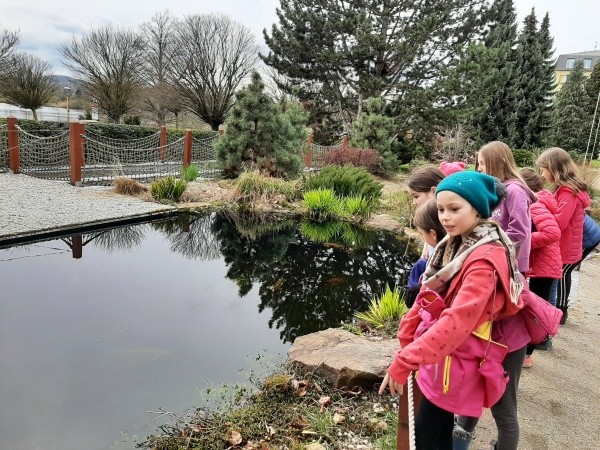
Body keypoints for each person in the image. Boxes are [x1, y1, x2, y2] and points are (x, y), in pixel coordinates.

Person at [379, 171, 523, 450]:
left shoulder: (484, 261)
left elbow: (457, 321)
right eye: (441, 209)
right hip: (450, 357)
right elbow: (428, 292)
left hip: (464, 356)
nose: (445, 217)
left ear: (478, 209)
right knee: (439, 429)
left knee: (425, 434)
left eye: (454, 209)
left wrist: (406, 359)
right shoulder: (454, 243)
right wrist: (407, 331)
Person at [455, 141, 535, 450]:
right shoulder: (498, 191)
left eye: (482, 163)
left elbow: (520, 232)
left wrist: (494, 251)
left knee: (504, 407)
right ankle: (461, 437)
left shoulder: (514, 191)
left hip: (507, 271)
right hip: (495, 276)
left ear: (497, 162)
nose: (479, 169)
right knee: (474, 389)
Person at [536, 148, 590, 324]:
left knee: (554, 285)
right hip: (565, 245)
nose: (542, 175)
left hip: (564, 247)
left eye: (543, 170)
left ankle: (554, 317)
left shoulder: (568, 192)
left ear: (554, 169)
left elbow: (560, 222)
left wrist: (540, 215)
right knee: (555, 283)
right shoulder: (567, 190)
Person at [519, 168, 562, 366]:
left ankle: (527, 354)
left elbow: (552, 233)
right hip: (541, 264)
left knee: (535, 311)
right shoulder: (536, 201)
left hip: (544, 266)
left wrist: (524, 240)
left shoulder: (535, 204)